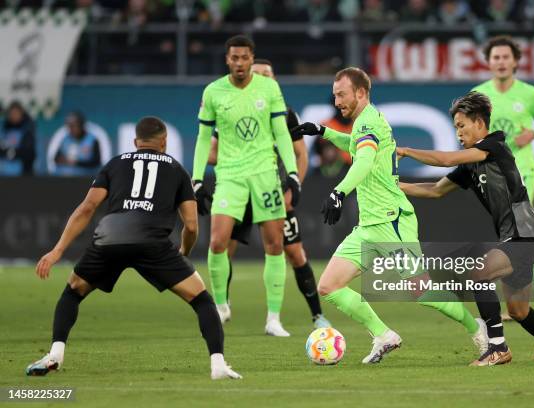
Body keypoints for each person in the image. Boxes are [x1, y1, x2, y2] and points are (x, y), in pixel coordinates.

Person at [291, 67, 487, 364]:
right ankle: (383, 335)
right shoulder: (363, 123)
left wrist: (339, 192)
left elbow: (365, 161)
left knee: (420, 290)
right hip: (369, 224)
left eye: (341, 95)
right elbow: (357, 148)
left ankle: (477, 328)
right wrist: (323, 132)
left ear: (361, 93)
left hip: (392, 221)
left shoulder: (369, 121)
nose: (337, 101)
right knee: (329, 286)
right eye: (334, 96)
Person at [26, 116, 241, 380]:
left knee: (73, 293)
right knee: (202, 301)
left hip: (109, 239)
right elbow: (192, 225)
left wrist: (57, 250)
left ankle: (55, 354)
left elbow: (87, 208)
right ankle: (218, 365)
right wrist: (183, 252)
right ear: (164, 142)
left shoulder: (115, 164)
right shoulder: (176, 170)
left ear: (135, 142)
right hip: (154, 244)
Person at [397, 91, 534, 365]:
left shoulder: (495, 146)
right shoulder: (472, 164)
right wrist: (393, 186)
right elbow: (435, 190)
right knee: (518, 310)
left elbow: (446, 160)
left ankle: (497, 348)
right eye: (455, 127)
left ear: (480, 122)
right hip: (514, 238)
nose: (458, 132)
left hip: (523, 234)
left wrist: (406, 151)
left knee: (479, 273)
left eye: (461, 125)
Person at [204, 58, 331, 329]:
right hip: (240, 188)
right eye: (257, 74)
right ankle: (221, 307)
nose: (263, 78)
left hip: (273, 191)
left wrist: (294, 188)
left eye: (267, 75)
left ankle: (317, 315)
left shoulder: (285, 113)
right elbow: (211, 152)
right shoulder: (232, 109)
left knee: (294, 253)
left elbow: (300, 155)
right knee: (224, 248)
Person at [192, 35, 301, 337]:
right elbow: (203, 138)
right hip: (229, 176)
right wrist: (197, 178)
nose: (239, 63)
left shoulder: (269, 88)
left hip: (265, 173)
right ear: (227, 59)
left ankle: (273, 319)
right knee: (217, 243)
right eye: (234, 58)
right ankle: (221, 305)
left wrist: (292, 174)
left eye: (244, 57)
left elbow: (281, 133)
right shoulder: (214, 91)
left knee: (275, 245)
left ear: (252, 58)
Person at [473, 35, 534, 320]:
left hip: (524, 171)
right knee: (515, 237)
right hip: (495, 175)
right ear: (488, 62)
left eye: (506, 57)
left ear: (516, 61)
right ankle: (527, 298)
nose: (501, 62)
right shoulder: (479, 95)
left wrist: (533, 133)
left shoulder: (530, 94)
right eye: (496, 57)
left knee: (519, 234)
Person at [54, 111, 102, 176]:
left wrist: (76, 163)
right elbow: (56, 158)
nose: (70, 129)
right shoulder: (65, 140)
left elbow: (96, 162)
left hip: (85, 179)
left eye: (73, 126)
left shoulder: (92, 140)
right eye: (69, 126)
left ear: (81, 125)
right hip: (65, 178)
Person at [0, 101, 36, 176]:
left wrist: (11, 153)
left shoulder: (27, 131)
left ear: (21, 114)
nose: (13, 116)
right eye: (11, 114)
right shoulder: (4, 130)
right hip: (3, 173)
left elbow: (28, 153)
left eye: (16, 113)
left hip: (21, 176)